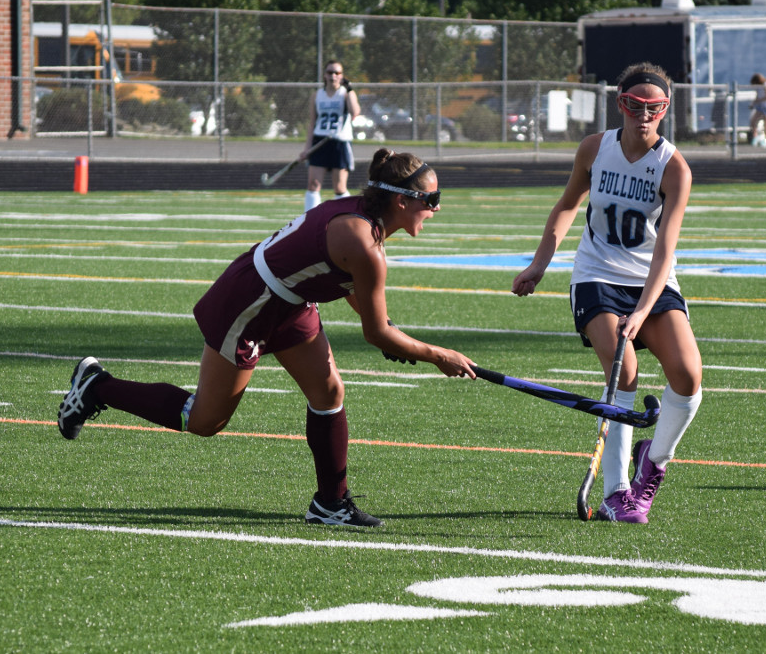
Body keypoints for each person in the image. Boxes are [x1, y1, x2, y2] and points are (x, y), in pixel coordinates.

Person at [57, 148, 477, 528]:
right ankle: (98, 387)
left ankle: (331, 503)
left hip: (291, 302)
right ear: (402, 201)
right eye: (432, 201)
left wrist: (396, 341)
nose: (436, 210)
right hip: (250, 300)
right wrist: (438, 355)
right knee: (205, 421)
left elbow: (359, 302)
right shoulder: (364, 242)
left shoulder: (365, 224)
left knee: (329, 392)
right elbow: (376, 331)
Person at [511, 62, 703, 524]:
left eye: (653, 108)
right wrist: (540, 264)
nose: (644, 115)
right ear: (620, 104)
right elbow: (567, 206)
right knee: (626, 372)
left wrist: (641, 310)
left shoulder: (674, 168)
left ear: (665, 109)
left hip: (650, 280)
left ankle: (651, 464)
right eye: (635, 106)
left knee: (689, 377)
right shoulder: (594, 149)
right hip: (596, 274)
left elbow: (666, 253)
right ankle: (617, 492)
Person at [300, 60, 361, 212]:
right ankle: (310, 221)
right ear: (325, 75)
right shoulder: (317, 95)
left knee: (339, 187)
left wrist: (350, 89)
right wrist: (307, 148)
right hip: (320, 140)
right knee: (313, 184)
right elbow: (312, 123)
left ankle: (345, 219)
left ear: (342, 76)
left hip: (340, 142)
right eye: (330, 72)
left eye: (337, 73)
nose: (333, 76)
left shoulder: (345, 94)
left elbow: (355, 112)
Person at [748, 73, 766, 147]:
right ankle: (755, 137)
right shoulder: (758, 87)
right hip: (760, 106)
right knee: (753, 120)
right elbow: (757, 96)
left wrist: (759, 100)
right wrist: (753, 103)